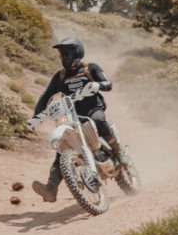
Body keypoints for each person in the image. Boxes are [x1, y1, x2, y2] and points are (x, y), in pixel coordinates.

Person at [30, 35, 126, 202]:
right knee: (63, 148)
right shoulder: (59, 77)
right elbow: (46, 97)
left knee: (98, 120)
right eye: (61, 55)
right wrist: (35, 117)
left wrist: (99, 85)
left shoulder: (91, 68)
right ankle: (50, 189)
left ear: (76, 53)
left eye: (66, 54)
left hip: (92, 109)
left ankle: (119, 153)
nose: (63, 58)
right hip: (72, 115)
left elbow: (108, 84)